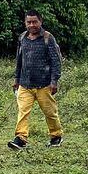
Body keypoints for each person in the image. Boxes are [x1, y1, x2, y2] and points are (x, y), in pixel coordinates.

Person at [9, 9, 64, 150]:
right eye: (29, 22)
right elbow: (19, 59)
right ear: (25, 23)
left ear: (40, 21)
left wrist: (54, 81)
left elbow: (56, 61)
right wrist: (16, 79)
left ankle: (56, 136)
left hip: (44, 84)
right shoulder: (22, 38)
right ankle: (20, 138)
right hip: (25, 84)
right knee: (23, 111)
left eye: (35, 22)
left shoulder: (48, 38)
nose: (32, 25)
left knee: (50, 112)